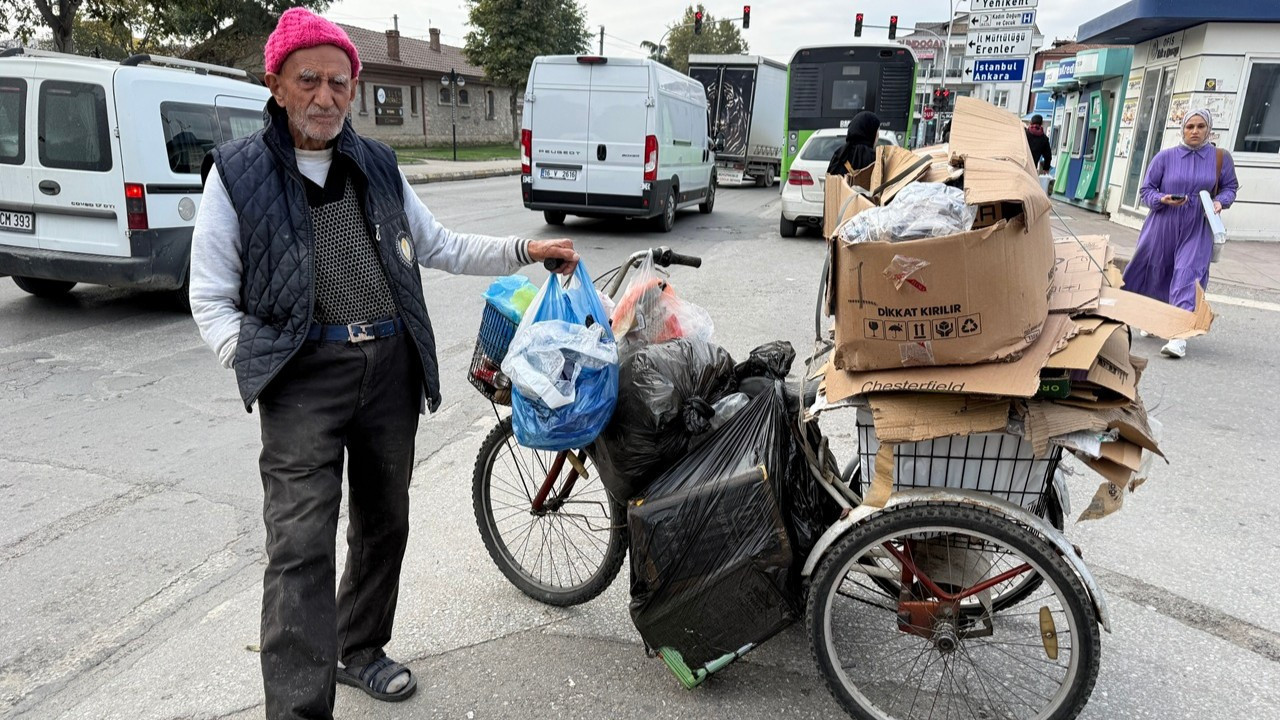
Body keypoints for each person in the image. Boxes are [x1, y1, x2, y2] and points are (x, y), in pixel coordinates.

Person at [188, 9, 578, 719]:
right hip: (301, 376)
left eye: (340, 83)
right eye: (309, 79)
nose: (326, 96)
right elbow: (210, 296)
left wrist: (528, 250)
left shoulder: (376, 163)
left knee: (383, 521)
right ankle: (299, 710)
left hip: (388, 367)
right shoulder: (237, 174)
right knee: (300, 545)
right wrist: (257, 363)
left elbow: (441, 246)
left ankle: (359, 648)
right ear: (276, 84)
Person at [1122, 108, 1238, 358]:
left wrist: (1220, 202)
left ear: (1208, 129)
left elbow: (1230, 188)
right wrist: (1161, 198)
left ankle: (1178, 335)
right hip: (1164, 222)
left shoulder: (1220, 158)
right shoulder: (1164, 157)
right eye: (1190, 126)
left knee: (1189, 273)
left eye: (1200, 126)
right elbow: (1146, 190)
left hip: (1198, 223)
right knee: (1156, 270)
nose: (1195, 131)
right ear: (1182, 129)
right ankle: (1155, 318)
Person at [827, 111, 881, 176]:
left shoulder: (840, 154)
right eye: (877, 131)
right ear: (871, 132)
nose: (878, 136)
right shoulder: (874, 158)